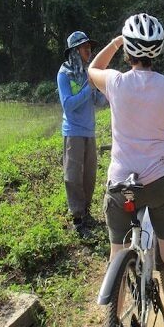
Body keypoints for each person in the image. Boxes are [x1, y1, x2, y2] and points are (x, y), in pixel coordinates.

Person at [88, 13, 164, 327]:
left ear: (128, 51)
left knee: (117, 254)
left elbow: (90, 70)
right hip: (161, 183)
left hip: (122, 185)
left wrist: (113, 43)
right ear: (158, 51)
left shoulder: (115, 82)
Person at [57, 31, 107, 238]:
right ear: (75, 51)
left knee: (89, 175)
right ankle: (78, 219)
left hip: (89, 131)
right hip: (73, 132)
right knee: (73, 176)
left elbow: (98, 101)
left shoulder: (88, 73)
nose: (89, 51)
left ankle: (86, 213)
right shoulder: (64, 74)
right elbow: (68, 106)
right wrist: (89, 88)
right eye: (85, 48)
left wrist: (110, 93)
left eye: (89, 48)